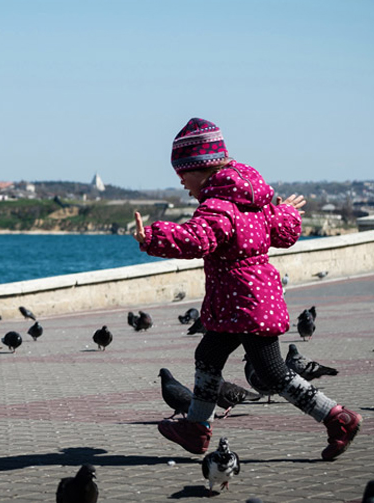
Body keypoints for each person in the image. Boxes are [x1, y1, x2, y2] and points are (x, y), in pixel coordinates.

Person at [133, 118, 361, 461]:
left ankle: (337, 418)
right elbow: (284, 233)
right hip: (245, 303)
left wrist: (151, 237)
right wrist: (285, 212)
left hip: (244, 305)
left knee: (272, 373)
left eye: (183, 173)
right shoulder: (253, 202)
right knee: (208, 356)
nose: (181, 182)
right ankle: (197, 428)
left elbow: (197, 238)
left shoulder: (220, 207)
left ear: (204, 168)